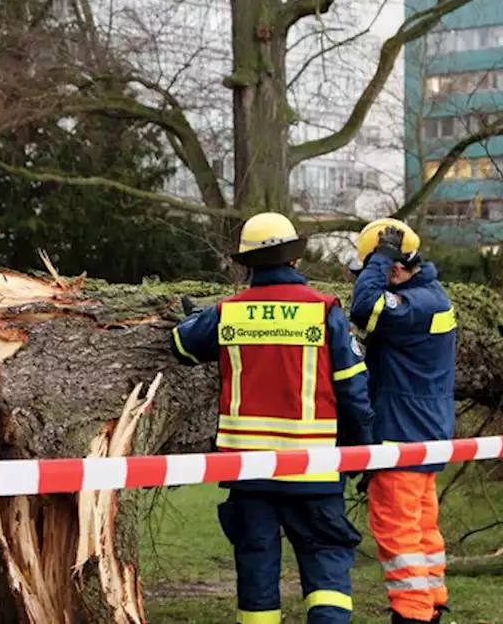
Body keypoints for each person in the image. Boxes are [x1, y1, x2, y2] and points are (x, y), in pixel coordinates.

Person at [172, 212, 375, 624]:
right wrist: (363, 451)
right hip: (314, 471)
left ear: (247, 264)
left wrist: (196, 318)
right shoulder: (323, 311)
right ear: (294, 260)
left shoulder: (229, 313)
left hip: (250, 473)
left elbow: (182, 345)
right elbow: (354, 393)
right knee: (326, 565)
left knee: (257, 571)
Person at [348, 218, 457, 624]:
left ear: (393, 268)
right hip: (422, 432)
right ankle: (430, 606)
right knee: (423, 530)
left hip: (402, 435)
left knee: (398, 533)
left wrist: (379, 259)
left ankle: (411, 614)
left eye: (374, 271)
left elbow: (365, 308)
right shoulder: (429, 297)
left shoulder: (414, 305)